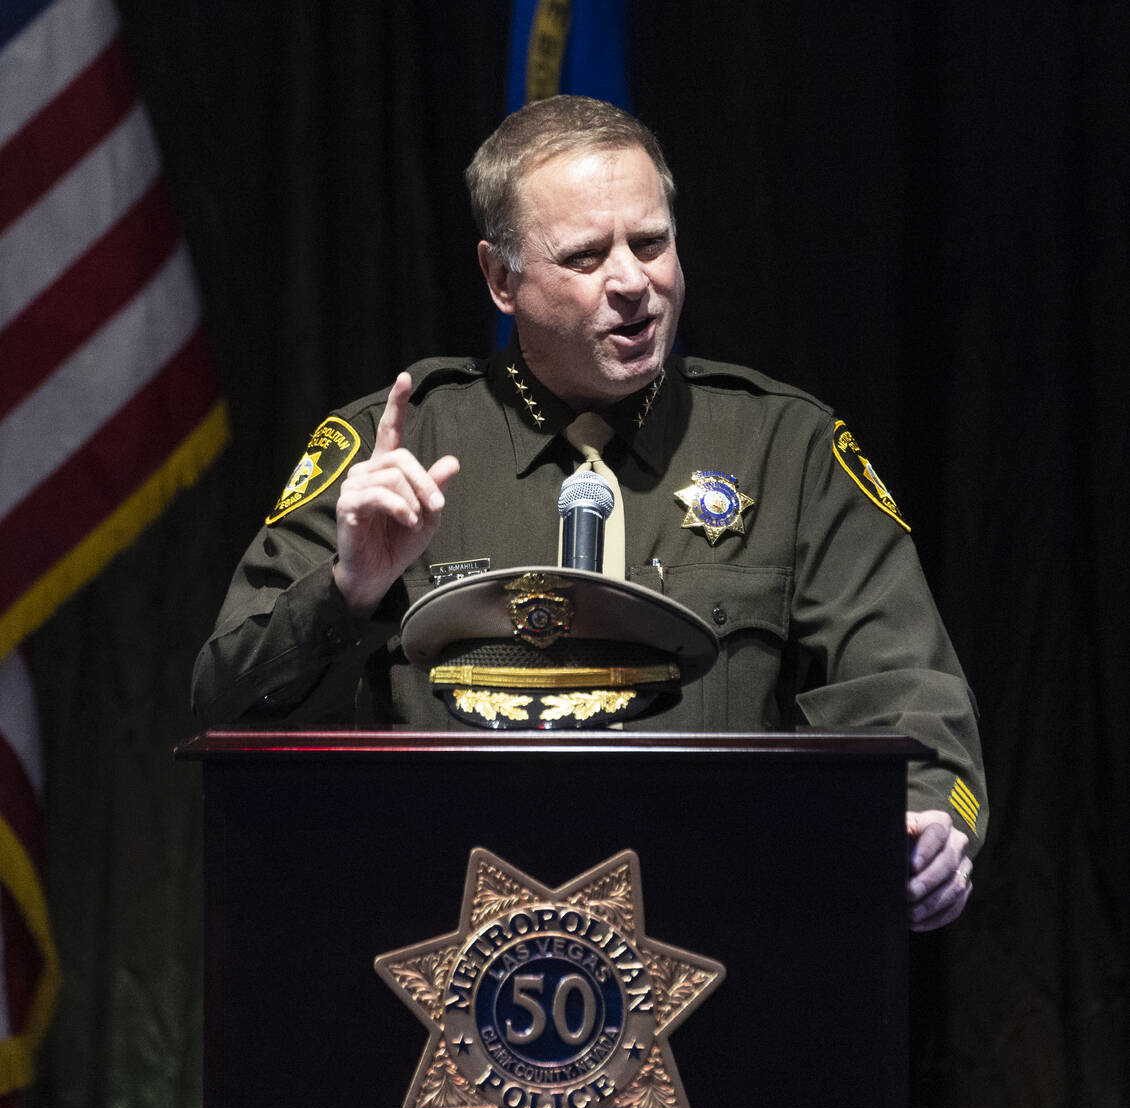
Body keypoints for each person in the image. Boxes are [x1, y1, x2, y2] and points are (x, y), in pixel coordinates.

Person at [192, 95, 987, 931]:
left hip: (721, 937)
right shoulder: (393, 449)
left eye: (651, 243)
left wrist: (929, 817)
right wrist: (349, 589)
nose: (633, 283)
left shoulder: (785, 448)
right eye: (585, 255)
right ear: (502, 278)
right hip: (442, 954)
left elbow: (909, 691)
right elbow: (223, 713)